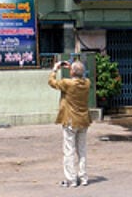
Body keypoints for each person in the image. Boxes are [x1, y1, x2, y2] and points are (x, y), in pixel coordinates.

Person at [49, 59, 92, 188]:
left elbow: (51, 82)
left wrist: (55, 69)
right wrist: (73, 68)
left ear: (72, 72)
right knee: (82, 150)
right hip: (83, 120)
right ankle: (83, 177)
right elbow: (79, 76)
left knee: (69, 150)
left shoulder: (67, 83)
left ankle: (71, 179)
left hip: (70, 120)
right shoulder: (87, 83)